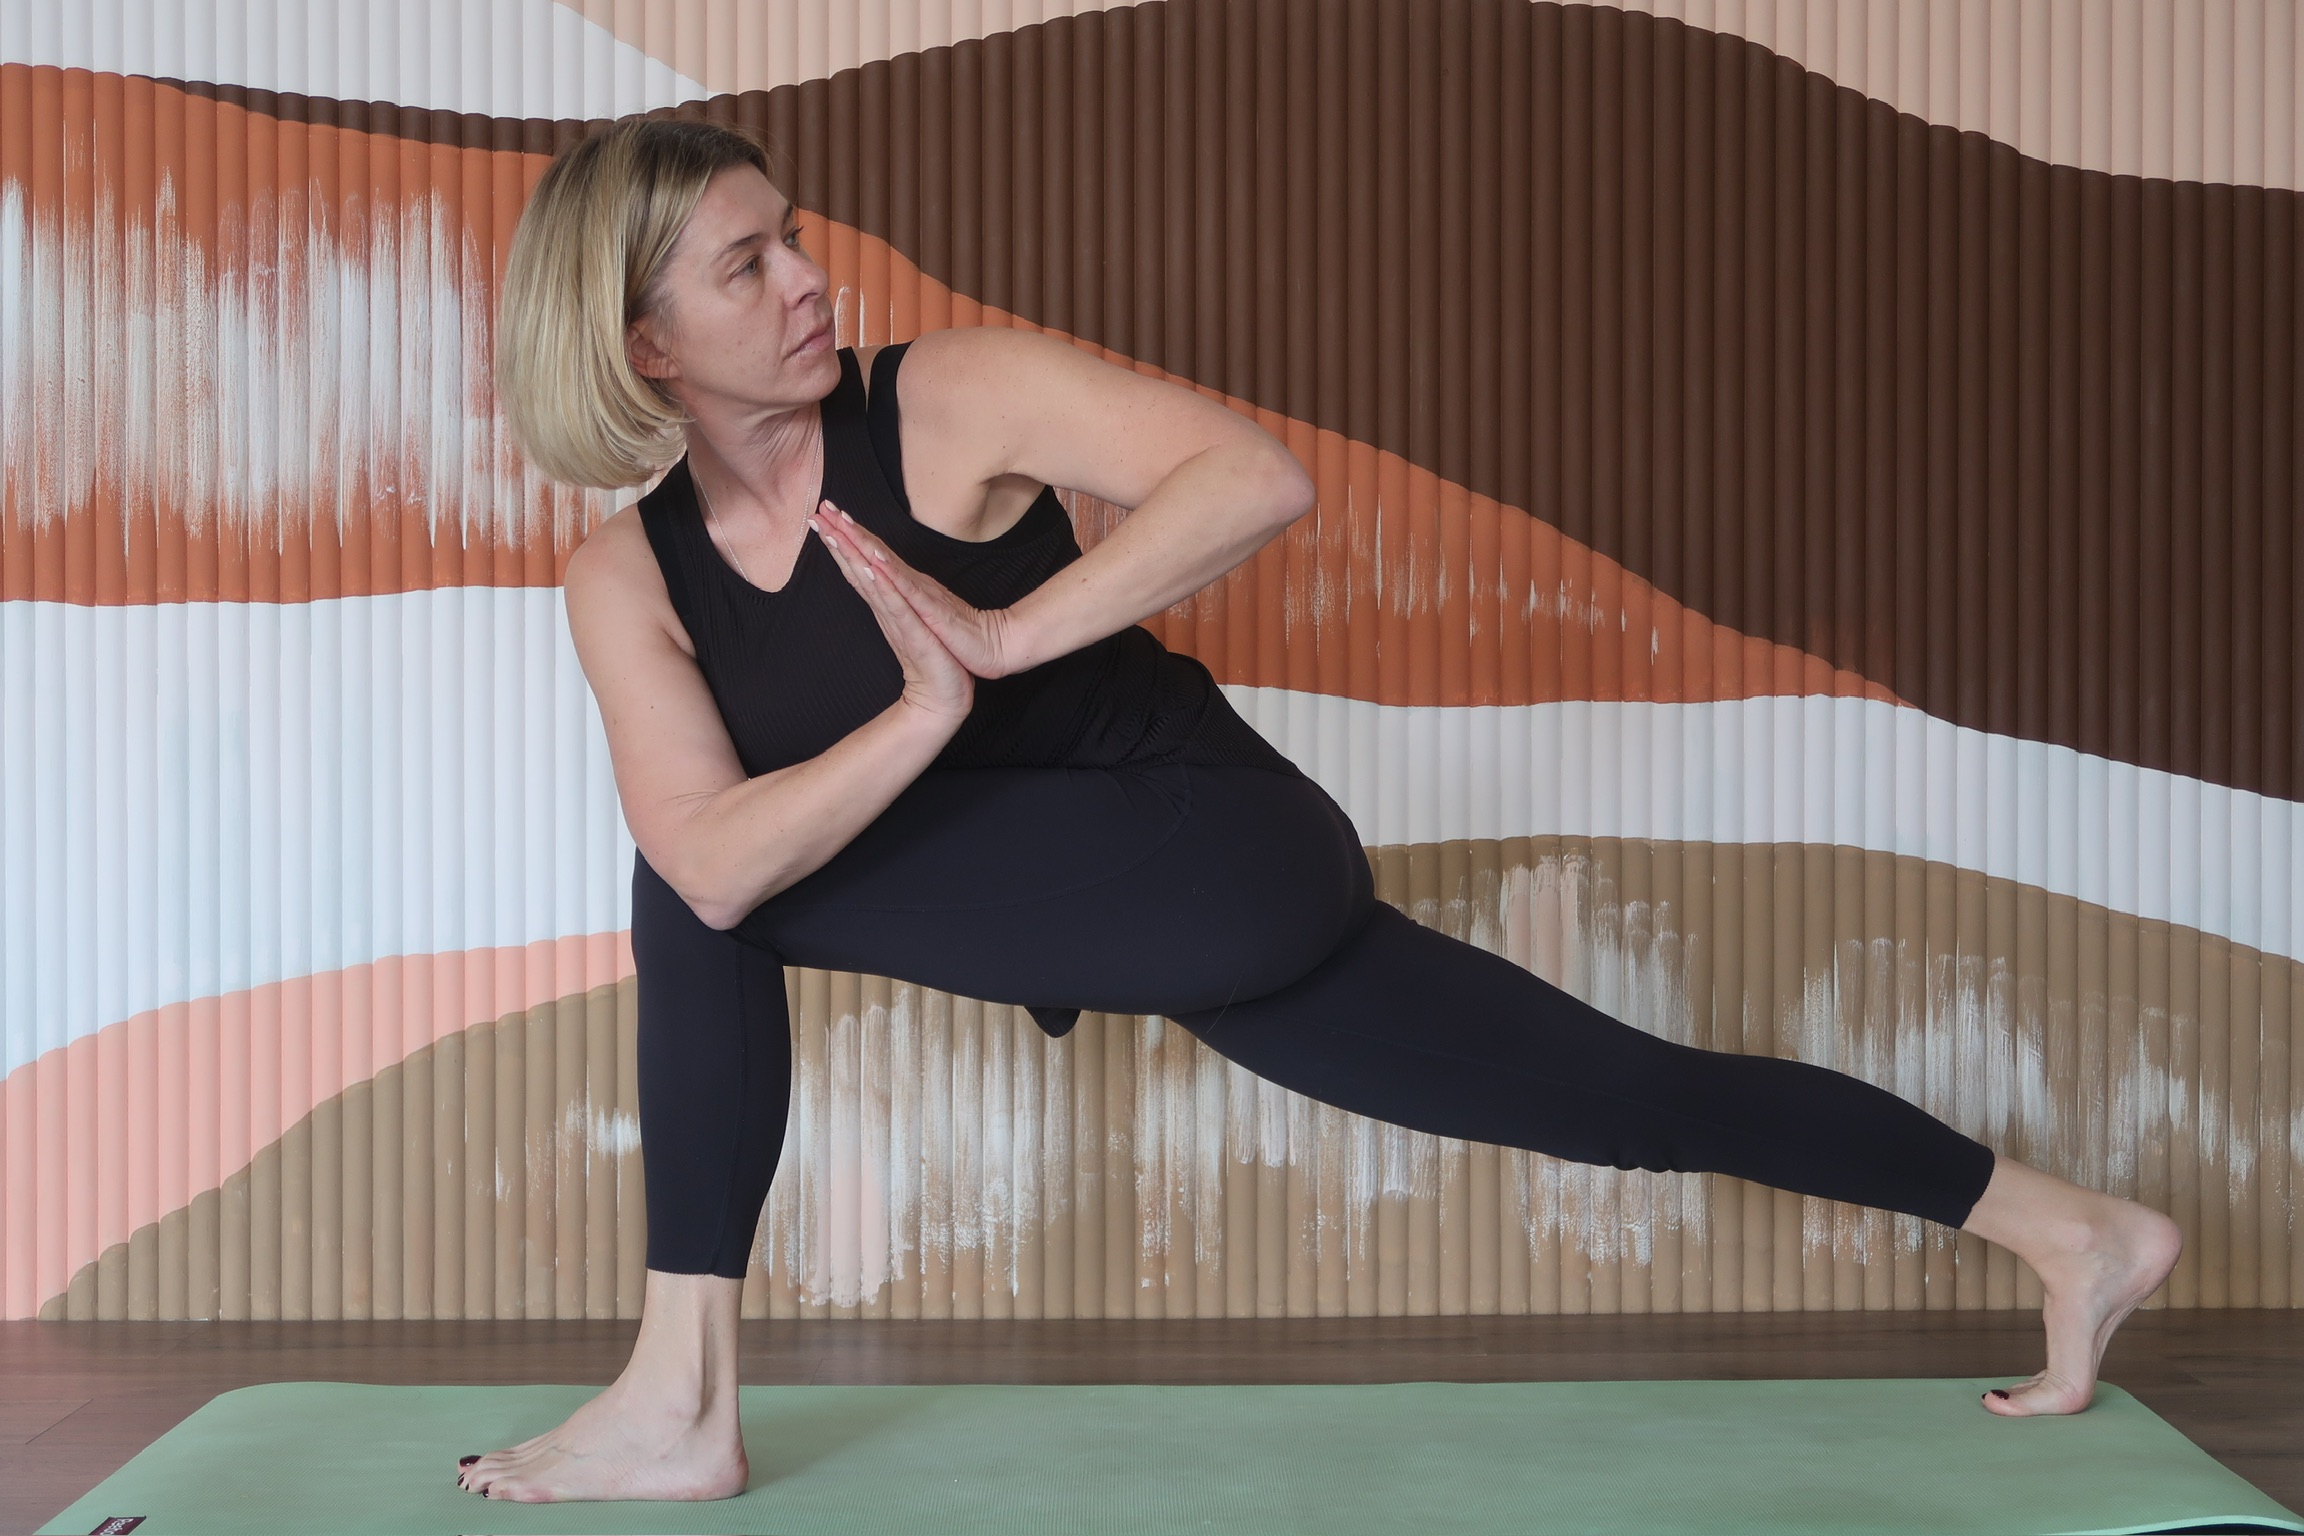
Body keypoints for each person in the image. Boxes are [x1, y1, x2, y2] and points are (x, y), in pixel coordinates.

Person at [456, 115, 2183, 1505]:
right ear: (641, 344)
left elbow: (1254, 475)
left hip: (1202, 841)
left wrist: (992, 639)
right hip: (1083, 901)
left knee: (706, 889)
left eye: (798, 235)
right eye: (748, 265)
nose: (810, 280)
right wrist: (927, 718)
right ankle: (2076, 1227)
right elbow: (709, 844)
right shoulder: (628, 578)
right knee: (1623, 1093)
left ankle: (680, 1399)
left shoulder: (946, 395)